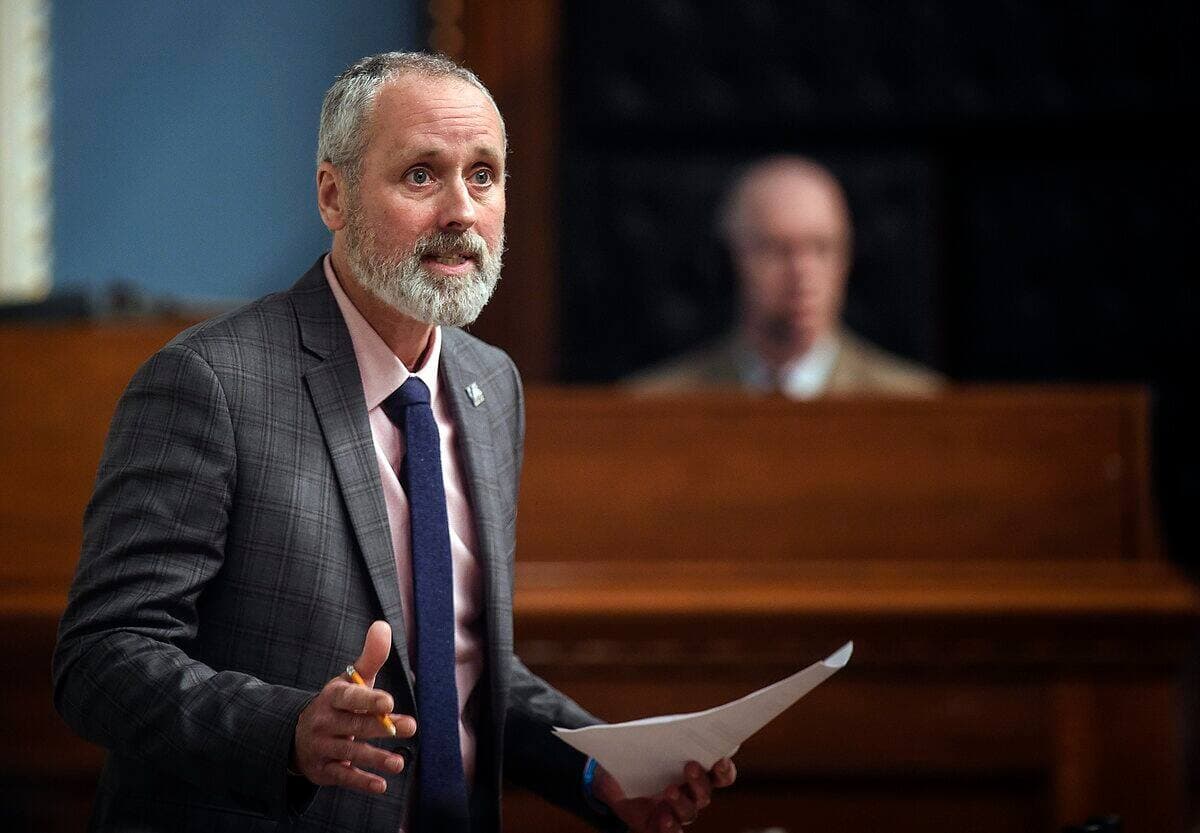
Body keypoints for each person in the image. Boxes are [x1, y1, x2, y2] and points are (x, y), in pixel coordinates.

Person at [52, 52, 734, 833]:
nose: (462, 211)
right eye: (421, 176)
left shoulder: (490, 384)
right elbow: (101, 657)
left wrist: (598, 768)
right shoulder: (209, 381)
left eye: (484, 175)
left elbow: (454, 666)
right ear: (332, 195)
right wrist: (286, 730)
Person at [629, 155, 942, 398]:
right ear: (731, 259)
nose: (801, 272)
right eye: (776, 250)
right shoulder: (659, 405)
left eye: (821, 248)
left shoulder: (912, 403)